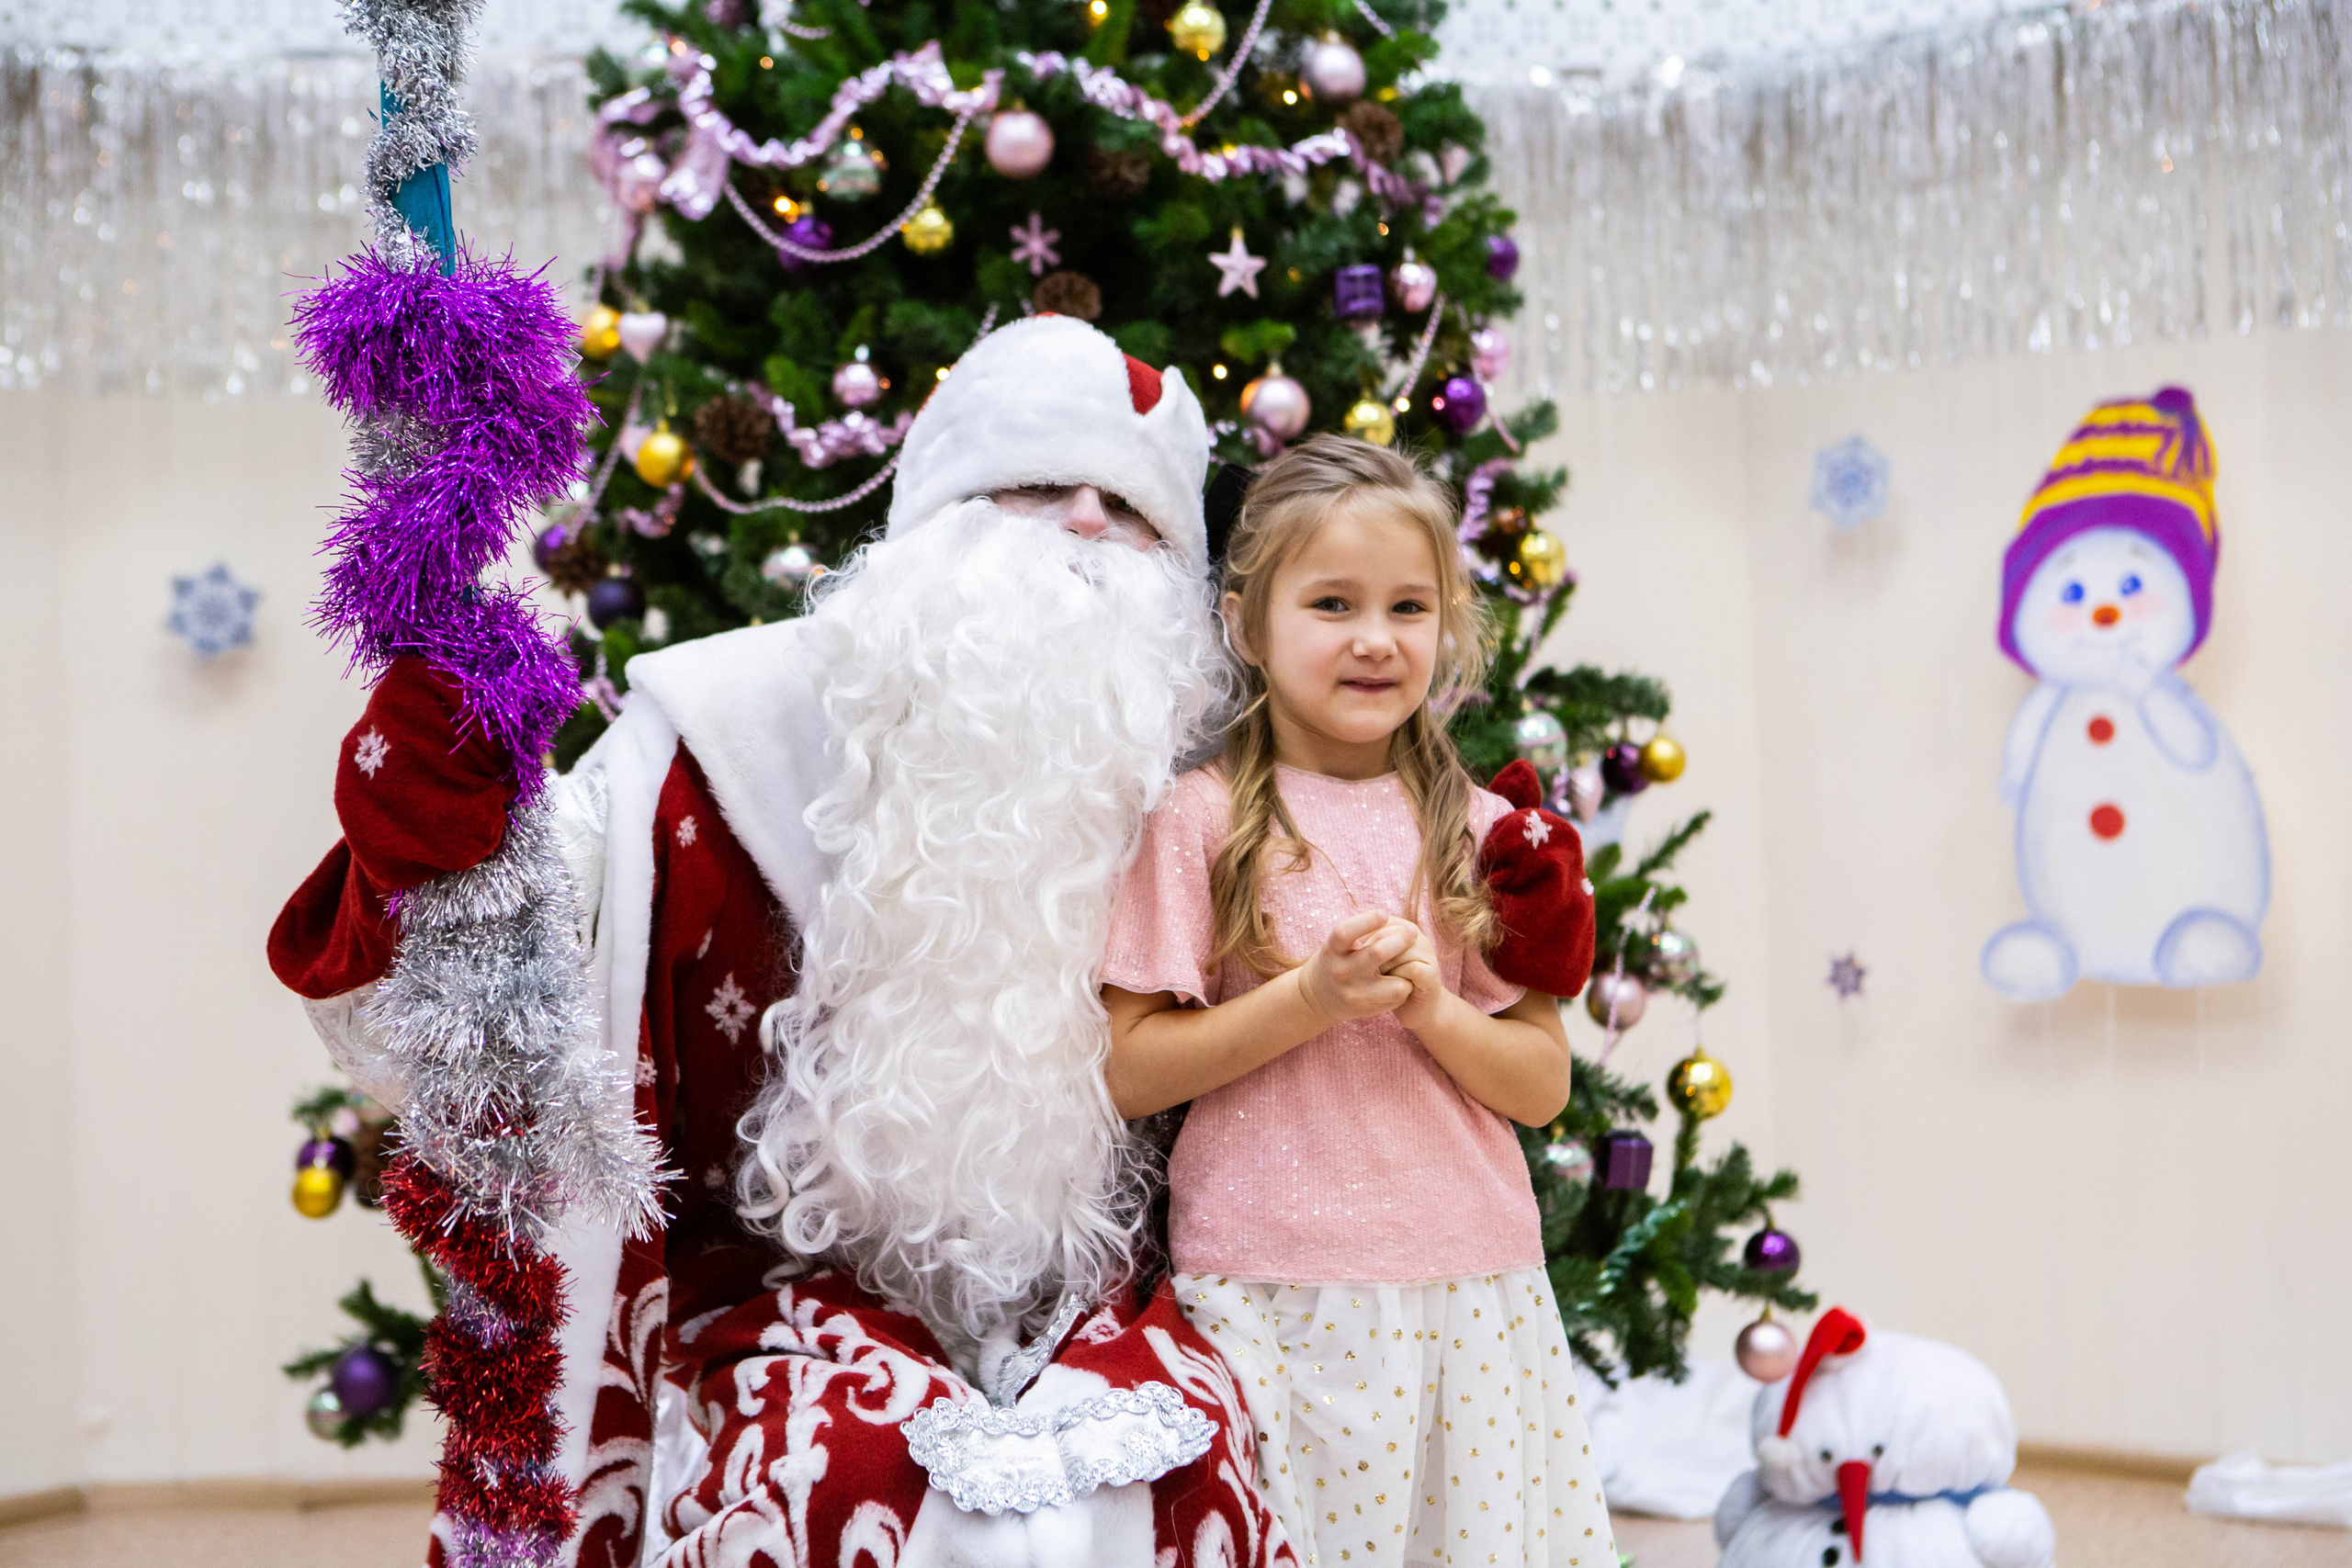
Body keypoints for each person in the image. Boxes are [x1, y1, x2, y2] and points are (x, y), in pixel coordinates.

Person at [268, 315, 1296, 1568]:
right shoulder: (721, 735)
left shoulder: (1202, 774)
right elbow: (519, 970)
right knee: (848, 1478)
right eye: (1034, 486)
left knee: (1192, 1468)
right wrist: (443, 836)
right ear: (929, 527)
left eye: (1131, 510)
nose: (1084, 524)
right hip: (768, 1288)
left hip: (1098, 1295)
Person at [1098, 436, 1618, 1565]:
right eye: (1332, 603)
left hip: (1470, 1287)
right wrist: (1311, 999)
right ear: (1246, 623)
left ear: (1447, 625)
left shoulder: (1489, 834)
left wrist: (1432, 1011)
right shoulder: (1198, 820)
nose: (1375, 640)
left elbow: (1539, 1089)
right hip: (1268, 1287)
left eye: (1408, 606)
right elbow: (1128, 1067)